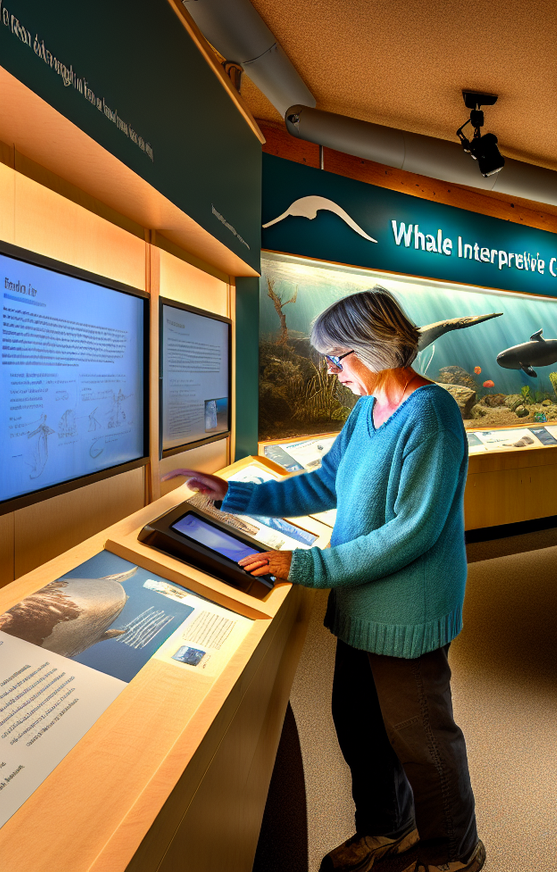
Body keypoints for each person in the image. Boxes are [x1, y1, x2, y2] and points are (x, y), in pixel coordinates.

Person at [165, 288, 485, 872]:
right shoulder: (366, 411)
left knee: (422, 739)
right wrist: (234, 494)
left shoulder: (431, 415)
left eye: (337, 358)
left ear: (372, 346)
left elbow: (411, 532)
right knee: (360, 727)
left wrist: (306, 565)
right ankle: (387, 829)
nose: (331, 371)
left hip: (408, 613)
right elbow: (321, 484)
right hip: (361, 602)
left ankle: (452, 852)